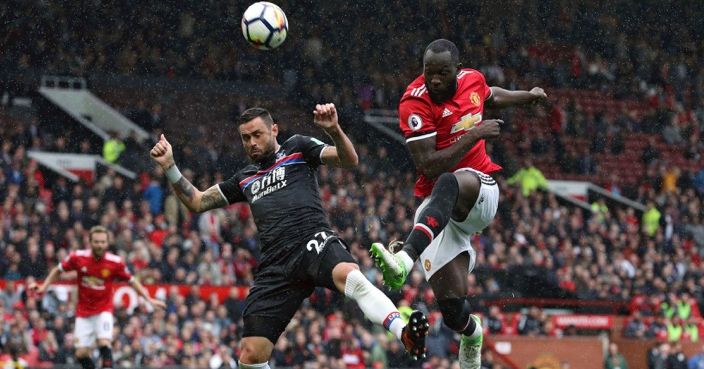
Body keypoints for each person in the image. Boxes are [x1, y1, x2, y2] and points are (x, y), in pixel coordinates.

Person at [149, 104, 429, 369]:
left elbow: (349, 159)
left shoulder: (297, 147)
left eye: (257, 135)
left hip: (312, 240)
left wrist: (333, 129)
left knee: (350, 275)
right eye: (245, 138)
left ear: (274, 130)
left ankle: (403, 332)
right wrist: (170, 166)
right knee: (250, 354)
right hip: (275, 265)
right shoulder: (244, 179)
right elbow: (197, 202)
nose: (251, 143)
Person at [370, 39, 546, 369]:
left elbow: (491, 94)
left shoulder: (472, 80)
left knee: (451, 180)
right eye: (428, 72)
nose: (433, 79)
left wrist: (528, 97)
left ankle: (404, 261)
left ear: (457, 69)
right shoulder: (414, 103)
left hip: (478, 191)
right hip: (439, 207)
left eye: (442, 72)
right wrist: (474, 133)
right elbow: (428, 166)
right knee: (452, 310)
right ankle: (472, 334)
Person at [29, 226, 166, 369]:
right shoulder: (78, 257)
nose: (100, 245)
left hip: (103, 310)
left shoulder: (115, 262)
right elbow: (58, 270)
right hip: (83, 312)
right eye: (96, 242)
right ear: (90, 242)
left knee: (104, 342)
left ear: (107, 243)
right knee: (81, 354)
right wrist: (44, 286)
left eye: (102, 242)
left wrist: (148, 299)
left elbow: (132, 281)